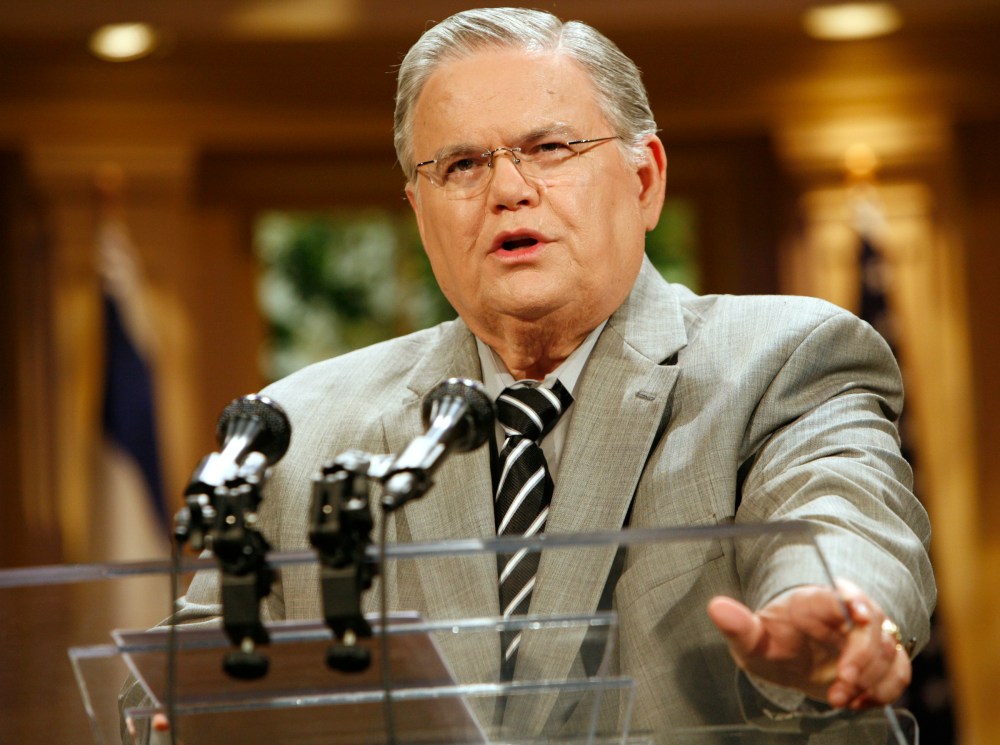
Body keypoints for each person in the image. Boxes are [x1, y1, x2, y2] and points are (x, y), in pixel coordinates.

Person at [127, 7, 935, 743]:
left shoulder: (781, 358)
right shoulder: (296, 427)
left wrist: (830, 610)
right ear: (420, 209)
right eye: (463, 166)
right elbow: (179, 681)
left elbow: (843, 511)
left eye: (550, 149)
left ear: (645, 180)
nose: (510, 191)